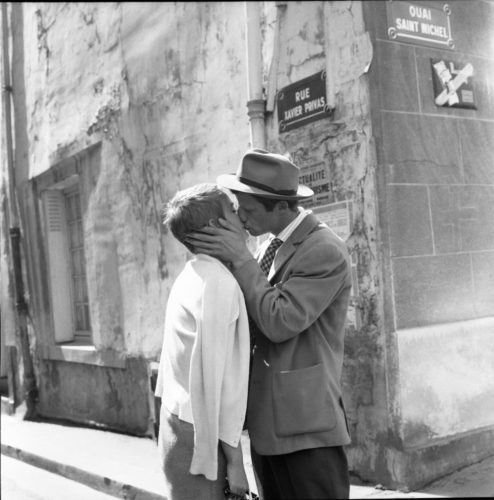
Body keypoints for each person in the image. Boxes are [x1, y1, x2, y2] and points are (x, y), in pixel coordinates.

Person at [186, 149, 352, 500]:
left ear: (280, 206)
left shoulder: (324, 250)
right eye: (238, 207)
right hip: (268, 426)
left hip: (306, 427)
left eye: (248, 209)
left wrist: (240, 258)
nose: (241, 218)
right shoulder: (268, 247)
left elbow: (279, 321)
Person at [155, 183, 252, 500]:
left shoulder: (192, 275)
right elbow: (213, 382)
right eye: (234, 212)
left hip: (179, 425)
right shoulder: (217, 284)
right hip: (200, 439)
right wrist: (236, 463)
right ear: (215, 226)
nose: (243, 220)